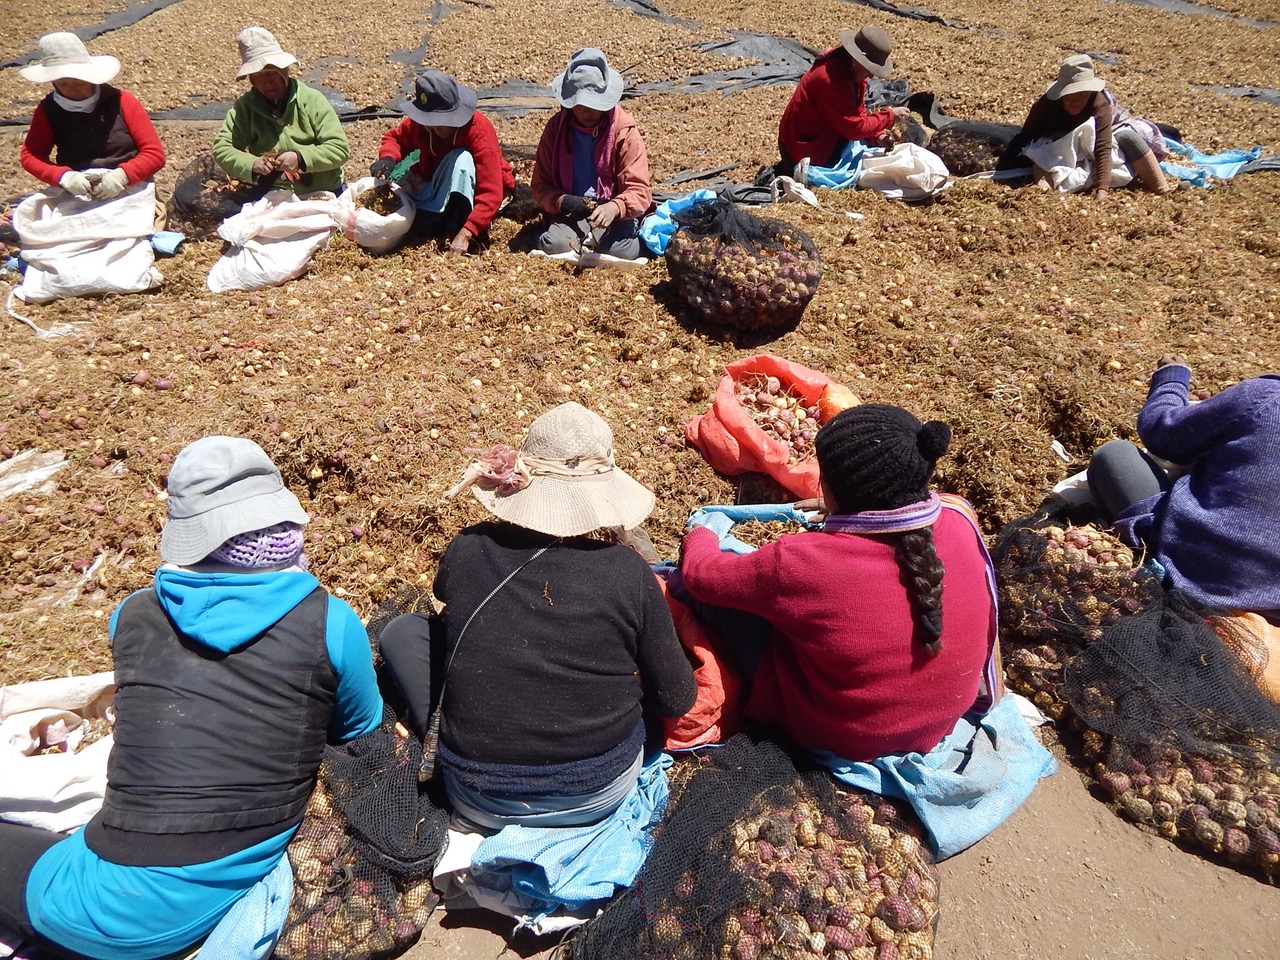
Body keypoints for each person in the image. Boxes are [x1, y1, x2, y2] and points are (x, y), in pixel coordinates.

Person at [0, 437, 383, 960]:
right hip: (190, 894)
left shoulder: (131, 615)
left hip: (100, 894)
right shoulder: (331, 622)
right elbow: (358, 727)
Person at [379, 402, 696, 830]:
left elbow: (444, 599)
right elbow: (677, 699)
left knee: (403, 632)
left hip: (475, 796)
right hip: (596, 794)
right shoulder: (628, 572)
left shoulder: (468, 547)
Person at [674, 405, 995, 761]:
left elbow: (702, 575)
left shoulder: (800, 561)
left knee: (704, 599)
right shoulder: (960, 517)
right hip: (942, 719)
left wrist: (701, 531)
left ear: (830, 489)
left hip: (845, 734)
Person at [1088, 356, 1280, 619]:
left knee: (1115, 456)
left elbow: (1161, 432)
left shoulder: (1266, 398)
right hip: (1268, 615)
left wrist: (1172, 376)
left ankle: (1149, 561)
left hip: (1180, 569)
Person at [526, 48, 652, 260]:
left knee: (619, 251)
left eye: (593, 105)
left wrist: (615, 206)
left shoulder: (624, 131)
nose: (586, 112)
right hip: (570, 212)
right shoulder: (556, 129)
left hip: (612, 212)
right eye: (580, 105)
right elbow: (540, 186)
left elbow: (640, 190)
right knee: (555, 244)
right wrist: (562, 201)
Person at [370, 69, 515, 253]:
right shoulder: (419, 126)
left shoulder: (478, 130)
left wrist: (468, 230)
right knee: (397, 171)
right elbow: (395, 139)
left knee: (462, 159)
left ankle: (454, 221)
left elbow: (491, 191)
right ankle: (429, 217)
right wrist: (388, 158)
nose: (435, 127)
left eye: (440, 122)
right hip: (430, 182)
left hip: (468, 193)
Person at [996, 54, 1173, 197]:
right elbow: (1027, 136)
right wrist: (1005, 165)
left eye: (1082, 96)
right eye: (1070, 96)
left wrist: (1103, 188)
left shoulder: (1099, 104)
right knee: (1041, 156)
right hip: (1060, 148)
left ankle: (1163, 189)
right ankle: (1046, 196)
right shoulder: (1045, 106)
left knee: (1129, 137)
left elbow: (1103, 145)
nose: (1076, 102)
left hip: (1098, 145)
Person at [19, 32, 166, 202]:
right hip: (78, 191)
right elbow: (30, 155)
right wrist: (63, 177)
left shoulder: (123, 101)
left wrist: (123, 176)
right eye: (64, 84)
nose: (73, 90)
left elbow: (154, 154)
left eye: (80, 82)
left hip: (129, 187)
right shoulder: (48, 110)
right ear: (53, 82)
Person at [212, 26, 350, 195]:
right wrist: (252, 164)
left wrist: (301, 159)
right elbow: (222, 148)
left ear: (285, 71)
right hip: (274, 194)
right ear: (252, 80)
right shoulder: (246, 107)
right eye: (259, 76)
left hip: (323, 191)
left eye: (272, 74)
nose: (268, 83)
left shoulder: (311, 100)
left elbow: (339, 149)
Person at [775, 25, 909, 179]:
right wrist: (889, 117)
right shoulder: (829, 79)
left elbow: (857, 113)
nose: (871, 76)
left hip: (824, 136)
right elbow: (854, 128)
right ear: (856, 60)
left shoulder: (851, 73)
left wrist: (876, 135)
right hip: (804, 150)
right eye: (869, 69)